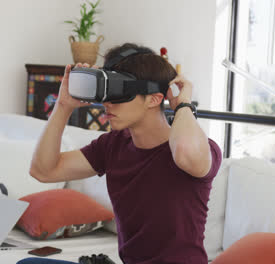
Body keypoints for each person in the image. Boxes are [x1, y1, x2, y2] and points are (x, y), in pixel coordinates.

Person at [18, 43, 222, 264]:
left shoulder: (203, 149)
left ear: (154, 99)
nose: (107, 104)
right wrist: (63, 105)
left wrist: (183, 105)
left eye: (120, 94)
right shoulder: (113, 145)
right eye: (108, 93)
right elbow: (43, 171)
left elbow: (185, 154)